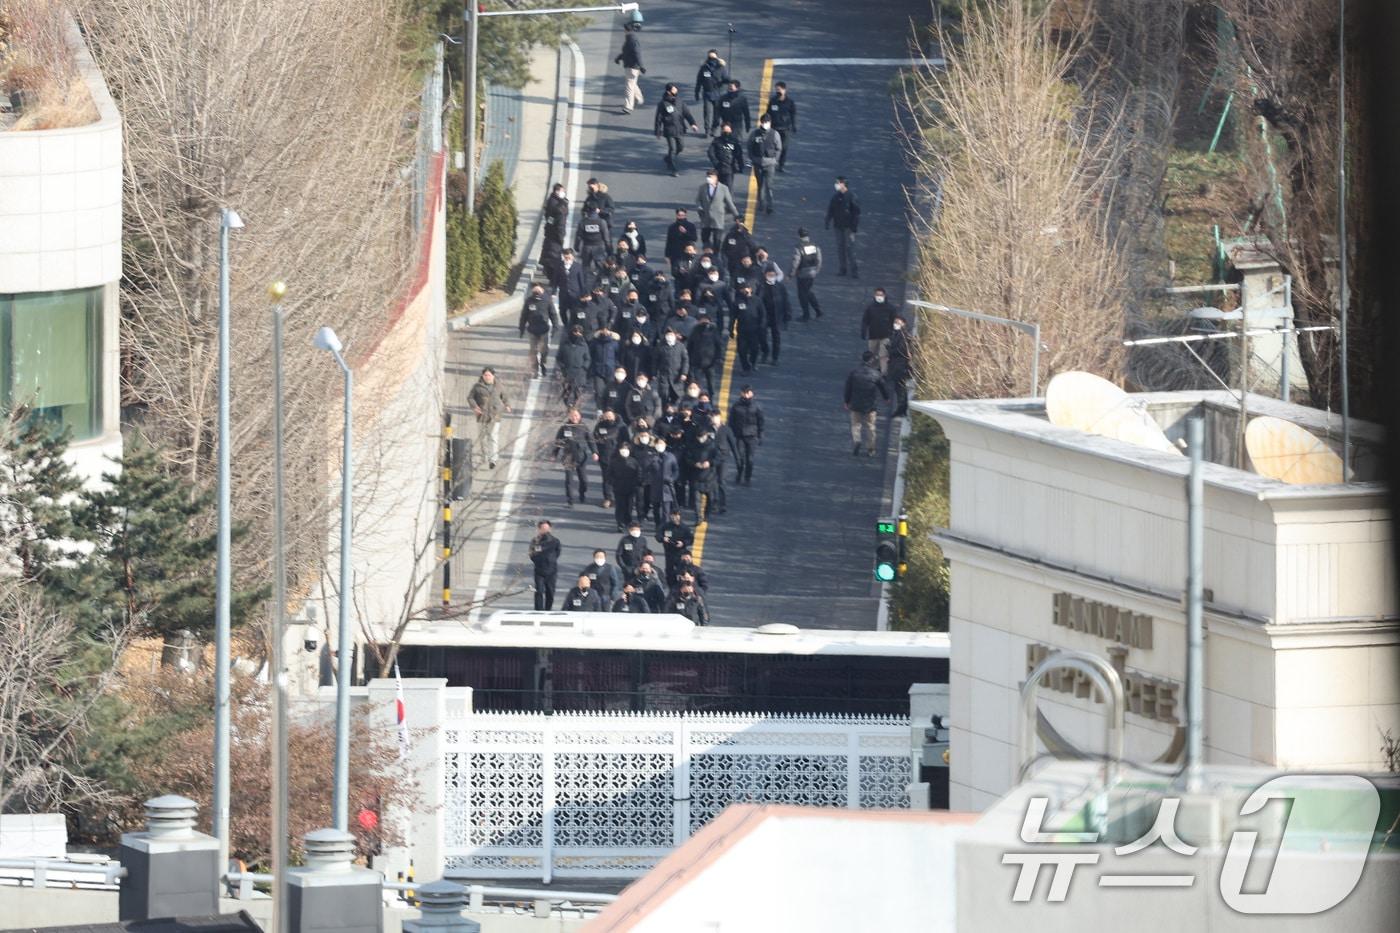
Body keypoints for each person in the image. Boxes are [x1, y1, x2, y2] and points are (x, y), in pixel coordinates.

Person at [844, 350, 890, 457]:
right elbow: (883, 387)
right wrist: (886, 398)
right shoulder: (876, 374)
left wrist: (846, 401)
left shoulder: (854, 373)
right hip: (870, 404)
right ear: (872, 360)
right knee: (870, 426)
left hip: (855, 403)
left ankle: (857, 440)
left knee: (856, 424)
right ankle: (871, 449)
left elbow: (848, 388)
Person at [468, 367, 512, 470]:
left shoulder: (498, 386)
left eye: (489, 375)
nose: (487, 377)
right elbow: (470, 398)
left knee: (493, 437)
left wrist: (507, 405)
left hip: (495, 415)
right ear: (482, 376)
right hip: (482, 416)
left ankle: (493, 459)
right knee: (482, 438)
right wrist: (475, 406)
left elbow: (505, 396)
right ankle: (484, 457)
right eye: (485, 375)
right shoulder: (477, 387)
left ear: (493, 376)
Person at [553, 407, 598, 505]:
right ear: (569, 416)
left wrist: (594, 452)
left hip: (581, 456)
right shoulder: (565, 427)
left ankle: (582, 493)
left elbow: (591, 441)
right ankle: (570, 499)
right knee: (569, 480)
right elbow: (558, 442)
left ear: (580, 416)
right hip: (568, 456)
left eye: (576, 415)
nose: (574, 417)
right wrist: (554, 453)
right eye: (572, 415)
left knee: (584, 480)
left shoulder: (583, 427)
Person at [655, 83, 700, 176]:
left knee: (680, 147)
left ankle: (668, 158)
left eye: (676, 89)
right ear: (669, 91)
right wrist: (658, 131)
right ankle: (673, 169)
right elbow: (658, 118)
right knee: (672, 148)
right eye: (674, 89)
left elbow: (687, 114)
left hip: (680, 128)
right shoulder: (663, 104)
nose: (676, 91)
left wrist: (693, 124)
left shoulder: (680, 101)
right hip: (669, 129)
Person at [518, 282, 560, 377]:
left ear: (542, 291)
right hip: (532, 330)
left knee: (544, 350)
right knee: (533, 351)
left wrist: (555, 326)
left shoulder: (547, 300)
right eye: (534, 291)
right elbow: (524, 315)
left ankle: (542, 363)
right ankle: (535, 369)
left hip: (544, 330)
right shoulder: (529, 301)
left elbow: (553, 314)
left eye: (538, 291)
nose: (536, 293)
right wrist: (521, 328)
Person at [746, 113, 783, 216]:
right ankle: (761, 203)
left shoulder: (775, 134)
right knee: (760, 185)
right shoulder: (755, 134)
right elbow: (749, 146)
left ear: (770, 123)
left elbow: (779, 148)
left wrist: (775, 160)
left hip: (770, 163)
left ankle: (770, 206)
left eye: (767, 122)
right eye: (763, 122)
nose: (765, 124)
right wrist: (753, 158)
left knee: (769, 186)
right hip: (758, 163)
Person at [695, 169, 739, 252]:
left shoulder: (723, 188)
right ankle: (707, 253)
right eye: (707, 177)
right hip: (706, 218)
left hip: (718, 219)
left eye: (710, 177)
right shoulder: (702, 188)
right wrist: (699, 207)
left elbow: (730, 203)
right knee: (705, 239)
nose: (708, 179)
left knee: (717, 241)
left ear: (716, 177)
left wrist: (736, 216)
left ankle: (716, 255)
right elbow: (698, 200)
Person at [728, 384, 764, 485]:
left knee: (750, 459)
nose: (746, 395)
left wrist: (760, 435)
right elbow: (731, 421)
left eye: (748, 392)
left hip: (752, 436)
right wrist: (731, 434)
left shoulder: (756, 407)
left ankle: (747, 478)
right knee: (740, 458)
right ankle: (739, 474)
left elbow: (761, 421)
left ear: (752, 393)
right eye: (744, 392)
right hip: (740, 436)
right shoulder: (736, 406)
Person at [825, 176, 861, 277]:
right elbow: (831, 209)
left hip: (848, 227)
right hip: (838, 226)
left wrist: (854, 226)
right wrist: (827, 221)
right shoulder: (835, 197)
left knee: (850, 249)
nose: (836, 184)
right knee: (840, 248)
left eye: (838, 183)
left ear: (843, 184)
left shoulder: (851, 196)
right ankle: (842, 269)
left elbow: (856, 212)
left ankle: (854, 270)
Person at [758, 267, 792, 366]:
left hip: (777, 316)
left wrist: (788, 314)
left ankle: (775, 357)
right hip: (764, 316)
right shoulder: (761, 286)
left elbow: (786, 301)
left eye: (773, 275)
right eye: (769, 275)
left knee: (776, 337)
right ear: (765, 276)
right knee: (762, 336)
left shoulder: (780, 287)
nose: (771, 277)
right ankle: (765, 352)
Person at [789, 227, 824, 321]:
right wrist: (816, 271)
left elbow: (795, 262)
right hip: (812, 273)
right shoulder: (815, 246)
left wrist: (791, 274)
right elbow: (819, 260)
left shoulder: (799, 247)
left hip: (802, 274)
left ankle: (806, 315)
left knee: (802, 294)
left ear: (799, 236)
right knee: (808, 291)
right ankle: (818, 310)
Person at [646, 440, 681, 533]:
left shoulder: (670, 456)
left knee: (666, 511)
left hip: (667, 487)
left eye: (661, 443)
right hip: (655, 486)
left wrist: (672, 479)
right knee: (655, 509)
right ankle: (658, 525)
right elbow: (646, 468)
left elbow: (676, 470)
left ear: (665, 444)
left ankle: (666, 527)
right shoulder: (652, 456)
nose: (659, 445)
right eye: (658, 444)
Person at [526, 520, 561, 610]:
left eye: (547, 528)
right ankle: (538, 610)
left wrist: (550, 560)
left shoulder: (555, 541)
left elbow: (557, 553)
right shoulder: (535, 541)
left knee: (550, 592)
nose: (545, 530)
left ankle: (548, 610)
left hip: (552, 571)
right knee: (539, 591)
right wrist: (539, 562)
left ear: (550, 529)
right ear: (539, 529)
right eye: (543, 528)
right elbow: (531, 554)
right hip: (539, 571)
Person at [607, 442, 643, 529]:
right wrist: (613, 482)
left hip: (630, 487)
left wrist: (636, 483)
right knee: (620, 505)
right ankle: (620, 523)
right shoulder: (614, 461)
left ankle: (628, 521)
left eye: (626, 449)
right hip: (618, 487)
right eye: (622, 449)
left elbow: (638, 473)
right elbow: (609, 474)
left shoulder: (634, 461)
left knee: (629, 505)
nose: (624, 451)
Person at [860, 287, 895, 373]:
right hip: (873, 335)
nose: (879, 297)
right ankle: (873, 372)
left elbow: (894, 320)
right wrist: (863, 331)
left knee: (883, 355)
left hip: (886, 335)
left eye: (881, 295)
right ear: (874, 296)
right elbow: (865, 320)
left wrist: (893, 333)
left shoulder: (890, 308)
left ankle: (883, 373)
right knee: (872, 355)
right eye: (877, 295)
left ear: (884, 295)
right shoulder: (870, 308)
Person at [687, 310, 723, 396]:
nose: (704, 321)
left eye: (706, 319)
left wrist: (718, 358)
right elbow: (690, 345)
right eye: (702, 319)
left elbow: (719, 345)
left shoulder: (713, 331)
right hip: (697, 362)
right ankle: (698, 398)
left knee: (711, 383)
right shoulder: (695, 330)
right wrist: (689, 359)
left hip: (710, 363)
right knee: (697, 382)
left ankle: (711, 397)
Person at [693, 49, 729, 134]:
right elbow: (699, 81)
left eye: (713, 57)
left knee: (717, 114)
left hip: (718, 94)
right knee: (707, 112)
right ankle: (707, 129)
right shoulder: (704, 68)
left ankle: (714, 128)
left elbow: (726, 79)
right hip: (707, 93)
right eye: (710, 57)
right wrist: (696, 93)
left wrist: (726, 80)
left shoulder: (721, 67)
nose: (711, 59)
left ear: (717, 57)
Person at [555, 325, 591, 410]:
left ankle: (575, 409)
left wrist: (584, 368)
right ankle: (567, 407)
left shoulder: (584, 345)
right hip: (567, 372)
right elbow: (559, 358)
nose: (577, 334)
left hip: (579, 373)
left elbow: (587, 359)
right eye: (575, 332)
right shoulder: (565, 344)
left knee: (578, 392)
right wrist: (562, 368)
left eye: (579, 332)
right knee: (566, 392)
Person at [593, 408, 623, 507]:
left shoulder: (621, 427)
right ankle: (608, 498)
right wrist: (596, 452)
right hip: (604, 456)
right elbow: (595, 439)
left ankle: (618, 497)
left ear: (614, 416)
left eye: (610, 416)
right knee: (606, 478)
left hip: (618, 456)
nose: (608, 418)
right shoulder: (599, 426)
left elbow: (626, 440)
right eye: (606, 416)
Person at [614, 21, 646, 114]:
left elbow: (637, 53)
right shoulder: (630, 39)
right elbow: (626, 52)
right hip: (631, 66)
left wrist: (641, 66)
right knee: (632, 83)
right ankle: (639, 98)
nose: (624, 31)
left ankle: (628, 106)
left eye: (624, 29)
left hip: (632, 67)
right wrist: (619, 58)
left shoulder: (632, 40)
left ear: (627, 30)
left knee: (629, 87)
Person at [657, 507, 694, 587]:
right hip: (669, 552)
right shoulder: (666, 526)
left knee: (681, 570)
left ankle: (681, 585)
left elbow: (690, 539)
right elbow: (658, 535)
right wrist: (663, 538)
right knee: (669, 571)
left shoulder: (684, 528)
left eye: (677, 515)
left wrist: (683, 543)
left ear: (680, 516)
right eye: (673, 515)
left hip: (680, 553)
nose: (675, 517)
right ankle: (671, 586)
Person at [729, 285, 762, 375]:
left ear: (751, 289)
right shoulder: (738, 302)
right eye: (743, 290)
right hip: (742, 330)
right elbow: (733, 317)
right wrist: (731, 329)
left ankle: (753, 362)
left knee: (754, 349)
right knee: (741, 350)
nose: (746, 291)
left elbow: (762, 315)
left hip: (754, 330)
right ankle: (746, 368)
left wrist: (762, 327)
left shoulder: (757, 300)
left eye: (747, 289)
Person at [652, 329, 690, 406]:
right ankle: (665, 410)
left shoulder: (681, 346)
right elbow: (655, 361)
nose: (669, 336)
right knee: (664, 394)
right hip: (664, 375)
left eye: (671, 335)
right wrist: (654, 373)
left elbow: (685, 360)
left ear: (675, 336)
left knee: (677, 395)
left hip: (677, 376)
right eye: (668, 335)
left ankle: (674, 410)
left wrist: (684, 373)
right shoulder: (660, 346)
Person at [706, 124, 746, 194]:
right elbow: (710, 152)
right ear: (722, 131)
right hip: (719, 168)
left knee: (728, 189)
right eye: (725, 131)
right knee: (719, 188)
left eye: (728, 131)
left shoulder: (734, 142)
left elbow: (739, 154)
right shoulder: (717, 141)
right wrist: (716, 163)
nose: (727, 133)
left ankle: (727, 200)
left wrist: (741, 166)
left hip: (729, 168)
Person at [767, 81, 798, 172]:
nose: (777, 92)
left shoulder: (790, 102)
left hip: (785, 129)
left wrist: (794, 125)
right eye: (776, 90)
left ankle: (781, 165)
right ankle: (772, 163)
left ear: (785, 90)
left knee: (784, 148)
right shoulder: (772, 101)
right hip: (774, 128)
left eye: (779, 90)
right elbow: (768, 113)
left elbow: (793, 114)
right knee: (772, 147)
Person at [887, 314, 912, 418]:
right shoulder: (897, 334)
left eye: (898, 322)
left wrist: (890, 350)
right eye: (895, 322)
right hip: (897, 365)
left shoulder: (904, 335)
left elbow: (902, 350)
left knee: (901, 388)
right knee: (899, 388)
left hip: (901, 366)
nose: (895, 324)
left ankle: (901, 409)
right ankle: (901, 408)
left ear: (903, 323)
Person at [574, 205, 611, 273]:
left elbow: (578, 236)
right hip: (599, 247)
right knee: (600, 267)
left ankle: (585, 279)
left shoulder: (583, 222)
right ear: (596, 210)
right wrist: (608, 248)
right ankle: (600, 279)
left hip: (586, 247)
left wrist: (576, 247)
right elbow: (606, 237)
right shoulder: (601, 222)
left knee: (585, 267)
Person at [588, 326, 621, 401]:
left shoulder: (614, 343)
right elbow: (590, 354)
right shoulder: (595, 342)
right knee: (599, 392)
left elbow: (618, 355)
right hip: (598, 372)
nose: (605, 332)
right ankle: (599, 407)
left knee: (611, 392)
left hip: (610, 371)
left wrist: (616, 366)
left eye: (607, 330)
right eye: (603, 330)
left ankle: (610, 406)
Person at [553, 247, 587, 313]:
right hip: (563, 293)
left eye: (569, 257)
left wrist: (583, 294)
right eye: (566, 258)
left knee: (574, 311)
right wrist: (553, 293)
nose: (567, 259)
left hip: (575, 294)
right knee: (562, 311)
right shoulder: (559, 266)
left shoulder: (578, 266)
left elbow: (581, 281)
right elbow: (555, 280)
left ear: (573, 257)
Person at [543, 182, 569, 246]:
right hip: (555, 234)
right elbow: (559, 222)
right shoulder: (554, 203)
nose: (564, 192)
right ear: (557, 191)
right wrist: (561, 238)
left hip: (551, 232)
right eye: (562, 191)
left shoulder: (557, 200)